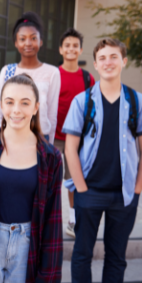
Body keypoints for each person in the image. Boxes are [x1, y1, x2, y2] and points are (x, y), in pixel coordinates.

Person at [0, 74, 63, 283]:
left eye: (25, 103)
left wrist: (48, 274)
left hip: (27, 247)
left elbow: (53, 218)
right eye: (9, 102)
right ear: (0, 104)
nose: (16, 110)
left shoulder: (50, 157)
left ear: (36, 107)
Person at [63, 38, 142, 283]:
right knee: (82, 253)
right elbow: (70, 149)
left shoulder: (137, 101)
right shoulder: (81, 101)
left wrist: (138, 187)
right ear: (96, 64)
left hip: (125, 194)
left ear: (124, 62)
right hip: (90, 191)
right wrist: (81, 189)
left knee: (116, 257)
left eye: (114, 57)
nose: (109, 62)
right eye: (103, 58)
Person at [0, 12, 60, 144]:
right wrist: (4, 138)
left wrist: (49, 145)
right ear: (16, 43)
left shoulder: (52, 72)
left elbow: (52, 115)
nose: (28, 43)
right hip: (11, 138)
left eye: (33, 38)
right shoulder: (8, 71)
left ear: (40, 41)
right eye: (22, 39)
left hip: (41, 138)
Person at [54, 28, 95, 238]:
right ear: (61, 49)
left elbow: (94, 108)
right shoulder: (54, 75)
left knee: (74, 181)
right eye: (67, 45)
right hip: (53, 136)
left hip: (76, 138)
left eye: (75, 46)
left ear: (80, 50)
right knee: (49, 180)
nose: (71, 49)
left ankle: (73, 220)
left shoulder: (87, 78)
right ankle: (48, 222)